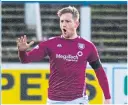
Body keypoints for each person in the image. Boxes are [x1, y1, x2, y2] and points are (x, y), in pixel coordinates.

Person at [17, 6, 111, 104]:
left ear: (76, 24)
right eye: (61, 21)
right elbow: (25, 60)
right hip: (54, 101)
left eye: (67, 21)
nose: (63, 25)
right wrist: (22, 51)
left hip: (78, 100)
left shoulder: (88, 46)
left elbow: (99, 72)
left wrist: (107, 97)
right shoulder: (50, 44)